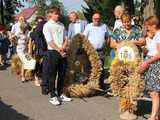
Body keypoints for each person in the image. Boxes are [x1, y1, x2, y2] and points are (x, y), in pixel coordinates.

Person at [43, 6, 72, 105]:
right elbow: (50, 41)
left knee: (62, 74)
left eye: (58, 13)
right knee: (52, 75)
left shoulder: (61, 25)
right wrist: (59, 49)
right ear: (50, 14)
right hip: (53, 52)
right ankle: (52, 96)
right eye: (56, 13)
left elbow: (66, 38)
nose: (58, 15)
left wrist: (63, 48)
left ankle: (60, 94)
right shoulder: (47, 25)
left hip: (62, 51)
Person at [139, 16, 160, 120]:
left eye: (148, 26)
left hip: (155, 65)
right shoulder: (156, 35)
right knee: (155, 92)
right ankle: (156, 116)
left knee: (154, 93)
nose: (147, 29)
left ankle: (153, 117)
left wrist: (147, 61)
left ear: (154, 25)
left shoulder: (159, 35)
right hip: (153, 64)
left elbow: (159, 54)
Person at [83, 12, 110, 90]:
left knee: (100, 69)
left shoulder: (104, 26)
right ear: (92, 19)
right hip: (91, 51)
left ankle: (101, 85)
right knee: (89, 68)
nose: (97, 20)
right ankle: (87, 85)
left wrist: (106, 46)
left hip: (101, 51)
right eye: (95, 19)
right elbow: (84, 38)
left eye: (99, 19)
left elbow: (108, 37)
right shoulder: (88, 26)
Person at [30, 16, 49, 92]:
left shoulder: (46, 28)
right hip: (37, 50)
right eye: (39, 21)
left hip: (45, 49)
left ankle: (42, 78)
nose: (40, 22)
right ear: (37, 22)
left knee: (43, 65)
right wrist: (29, 49)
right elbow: (31, 40)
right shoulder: (34, 29)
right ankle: (36, 78)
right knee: (36, 64)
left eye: (42, 21)